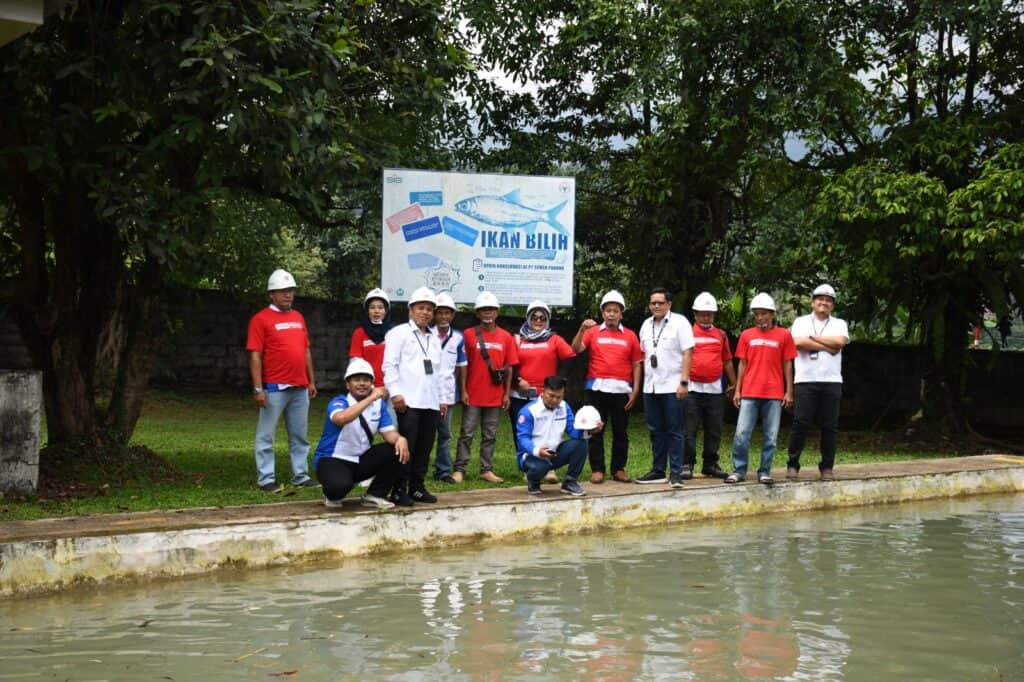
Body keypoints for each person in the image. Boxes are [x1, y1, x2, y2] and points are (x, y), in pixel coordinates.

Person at [246, 268, 319, 493]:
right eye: (282, 291)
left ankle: (301, 475)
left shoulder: (298, 317)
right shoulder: (260, 319)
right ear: (272, 294)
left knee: (300, 436)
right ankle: (266, 478)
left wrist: (311, 381)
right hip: (274, 388)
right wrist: (258, 388)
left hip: (299, 387)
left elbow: (305, 351)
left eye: (291, 291)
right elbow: (255, 355)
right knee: (266, 435)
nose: (288, 295)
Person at [314, 359, 409, 509]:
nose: (362, 383)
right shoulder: (339, 401)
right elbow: (341, 418)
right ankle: (331, 493)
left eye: (366, 380)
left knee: (396, 449)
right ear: (348, 384)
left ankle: (375, 495)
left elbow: (389, 433)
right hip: (332, 459)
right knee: (338, 488)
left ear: (371, 383)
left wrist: (400, 438)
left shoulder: (379, 405)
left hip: (360, 459)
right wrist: (371, 397)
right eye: (356, 380)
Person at [571, 289, 643, 484]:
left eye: (615, 310)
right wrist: (581, 329)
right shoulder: (592, 332)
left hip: (622, 390)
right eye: (608, 310)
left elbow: (637, 363)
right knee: (595, 430)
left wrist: (635, 390)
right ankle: (597, 469)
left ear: (621, 314)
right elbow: (575, 349)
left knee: (621, 432)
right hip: (596, 388)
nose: (611, 314)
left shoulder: (630, 335)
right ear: (602, 313)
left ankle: (618, 469)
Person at [726, 293, 796, 485]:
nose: (760, 318)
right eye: (756, 314)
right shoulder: (747, 335)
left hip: (774, 393)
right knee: (741, 434)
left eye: (763, 314)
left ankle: (764, 471)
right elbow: (742, 363)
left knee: (771, 436)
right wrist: (738, 390)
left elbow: (788, 364)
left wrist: (789, 391)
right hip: (749, 392)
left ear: (772, 314)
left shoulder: (784, 335)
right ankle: (739, 470)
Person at [382, 287, 443, 506]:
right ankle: (399, 489)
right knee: (407, 447)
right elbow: (389, 365)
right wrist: (396, 393)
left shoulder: (434, 338)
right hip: (408, 401)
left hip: (431, 402)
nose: (425, 312)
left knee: (425, 447)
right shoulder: (398, 334)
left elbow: (441, 371)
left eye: (429, 309)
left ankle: (417, 487)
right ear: (411, 309)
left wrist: (443, 398)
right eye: (421, 308)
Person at [786, 284, 850, 481]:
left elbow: (840, 342)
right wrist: (827, 345)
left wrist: (812, 339)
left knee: (830, 425)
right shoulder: (800, 321)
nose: (824, 302)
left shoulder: (839, 323)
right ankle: (793, 464)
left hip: (831, 381)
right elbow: (797, 342)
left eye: (828, 300)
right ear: (813, 302)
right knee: (800, 423)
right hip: (805, 380)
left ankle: (827, 467)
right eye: (820, 299)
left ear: (833, 305)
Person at [455, 291, 519, 483]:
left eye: (490, 309)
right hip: (473, 394)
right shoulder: (468, 335)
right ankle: (459, 469)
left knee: (490, 435)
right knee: (466, 433)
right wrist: (463, 390)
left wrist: (507, 394)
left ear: (497, 312)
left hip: (495, 395)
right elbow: (462, 364)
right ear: (477, 313)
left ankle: (486, 469)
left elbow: (509, 368)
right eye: (483, 309)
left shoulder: (506, 337)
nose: (487, 313)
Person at [510, 299, 576, 483]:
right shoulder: (518, 339)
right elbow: (510, 362)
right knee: (523, 432)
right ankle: (528, 467)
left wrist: (559, 380)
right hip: (521, 394)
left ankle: (549, 468)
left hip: (546, 396)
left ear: (547, 319)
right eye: (534, 317)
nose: (538, 321)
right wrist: (517, 379)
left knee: (548, 431)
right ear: (528, 318)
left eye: (542, 318)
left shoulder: (554, 339)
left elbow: (570, 357)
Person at [635, 287, 694, 488]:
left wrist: (684, 382)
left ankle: (676, 472)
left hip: (673, 385)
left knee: (675, 430)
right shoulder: (645, 325)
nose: (657, 306)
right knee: (655, 430)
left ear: (669, 304)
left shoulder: (680, 323)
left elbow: (688, 353)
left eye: (661, 302)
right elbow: (643, 355)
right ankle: (658, 470)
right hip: (650, 386)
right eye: (653, 303)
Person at [684, 292, 737, 479]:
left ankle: (710, 464)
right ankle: (686, 464)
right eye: (702, 313)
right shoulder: (686, 333)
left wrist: (734, 384)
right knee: (689, 429)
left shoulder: (721, 335)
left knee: (714, 429)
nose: (706, 317)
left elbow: (728, 361)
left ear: (714, 315)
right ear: (695, 314)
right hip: (692, 388)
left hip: (715, 389)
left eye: (709, 313)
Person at [515, 375, 592, 496]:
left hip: (554, 453)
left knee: (581, 443)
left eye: (559, 397)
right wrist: (537, 451)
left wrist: (589, 430)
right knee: (540, 466)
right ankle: (533, 481)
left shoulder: (564, 407)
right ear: (543, 391)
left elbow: (573, 431)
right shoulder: (529, 411)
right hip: (531, 456)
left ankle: (570, 482)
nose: (555, 400)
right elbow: (523, 438)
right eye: (551, 395)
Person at [432, 292, 467, 484]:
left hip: (448, 392)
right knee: (423, 433)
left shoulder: (458, 338)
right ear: (435, 314)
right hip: (427, 393)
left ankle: (443, 470)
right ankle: (414, 468)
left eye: (448, 313)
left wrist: (462, 391)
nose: (444, 317)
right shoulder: (426, 334)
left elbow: (461, 366)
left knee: (445, 434)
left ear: (453, 315)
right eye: (440, 313)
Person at [348, 288, 392, 388]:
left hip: (390, 386)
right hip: (367, 387)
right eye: (372, 308)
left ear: (386, 311)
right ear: (367, 311)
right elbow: (355, 362)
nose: (376, 311)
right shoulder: (359, 333)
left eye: (380, 308)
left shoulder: (394, 333)